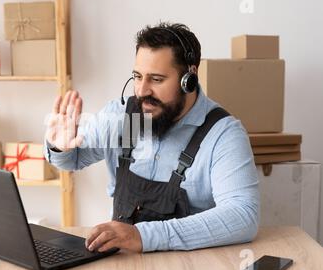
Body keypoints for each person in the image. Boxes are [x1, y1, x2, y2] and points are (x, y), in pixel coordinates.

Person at [44, 22, 259, 253]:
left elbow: (243, 215)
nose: (142, 91)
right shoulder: (123, 117)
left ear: (189, 78)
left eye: (156, 79)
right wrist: (59, 147)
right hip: (122, 265)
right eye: (137, 76)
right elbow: (71, 161)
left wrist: (142, 236)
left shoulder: (222, 134)